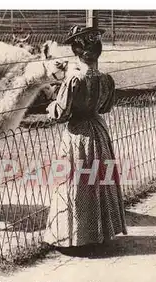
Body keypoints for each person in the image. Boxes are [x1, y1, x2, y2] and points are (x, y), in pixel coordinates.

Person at [42, 25, 127, 253]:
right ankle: (99, 233)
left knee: (74, 182)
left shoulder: (74, 79)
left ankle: (75, 237)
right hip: (98, 131)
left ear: (77, 52)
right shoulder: (106, 79)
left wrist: (51, 106)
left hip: (78, 133)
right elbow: (107, 107)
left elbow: (61, 113)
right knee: (98, 180)